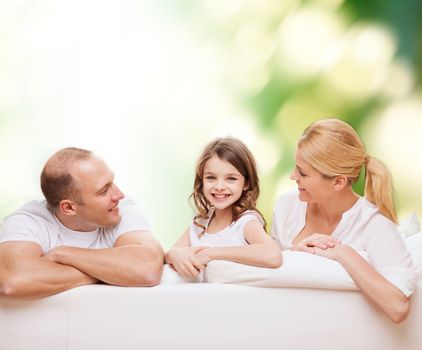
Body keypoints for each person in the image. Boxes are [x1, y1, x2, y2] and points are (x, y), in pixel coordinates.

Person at [271, 118, 415, 323]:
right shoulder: (287, 207)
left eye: (303, 173)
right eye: (296, 167)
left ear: (338, 182)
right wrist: (295, 254)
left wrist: (343, 253)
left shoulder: (374, 225)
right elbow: (271, 271)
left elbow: (398, 307)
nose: (293, 176)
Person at [0, 147, 164, 298]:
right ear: (69, 207)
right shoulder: (28, 220)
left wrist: (63, 253)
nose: (119, 194)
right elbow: (13, 281)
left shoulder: (120, 207)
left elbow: (147, 268)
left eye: (112, 182)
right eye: (104, 190)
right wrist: (114, 272)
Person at [166, 137, 282, 278]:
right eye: (211, 178)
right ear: (201, 181)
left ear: (246, 183)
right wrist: (173, 254)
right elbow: (171, 256)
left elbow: (273, 255)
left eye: (231, 179)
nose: (219, 187)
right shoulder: (200, 223)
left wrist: (210, 253)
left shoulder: (245, 222)